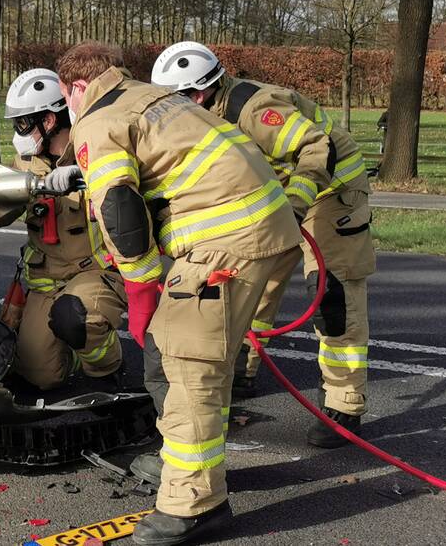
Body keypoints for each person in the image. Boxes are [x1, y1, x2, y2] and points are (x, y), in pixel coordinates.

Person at [58, 42, 302, 545]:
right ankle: (194, 468)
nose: (69, 111)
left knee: (185, 364)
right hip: (263, 225)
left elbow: (120, 209)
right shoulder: (152, 96)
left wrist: (141, 288)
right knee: (211, 360)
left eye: (67, 99)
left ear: (78, 88)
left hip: (224, 242)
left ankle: (194, 504)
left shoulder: (97, 120)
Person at [152, 41, 375, 449]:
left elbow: (316, 149)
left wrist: (295, 204)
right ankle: (243, 368)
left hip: (331, 193)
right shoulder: (201, 118)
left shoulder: (254, 110)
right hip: (278, 198)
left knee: (333, 297)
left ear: (199, 94)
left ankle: (345, 405)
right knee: (252, 284)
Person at [3, 68, 127, 389]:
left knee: (74, 318)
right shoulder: (25, 162)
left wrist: (84, 176)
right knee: (38, 375)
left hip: (94, 273)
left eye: (23, 123)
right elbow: (2, 205)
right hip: (46, 281)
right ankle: (72, 350)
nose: (19, 134)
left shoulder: (96, 150)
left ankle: (105, 366)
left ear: (48, 121)